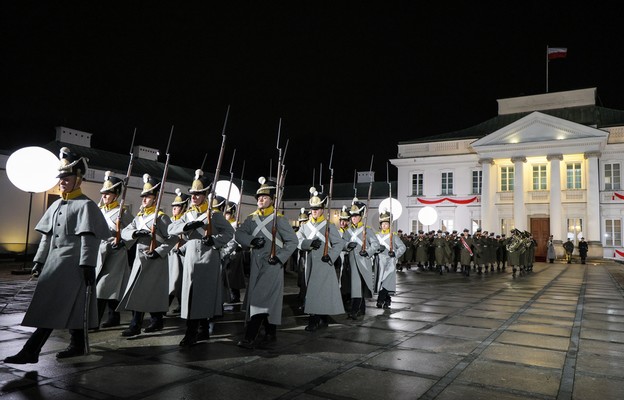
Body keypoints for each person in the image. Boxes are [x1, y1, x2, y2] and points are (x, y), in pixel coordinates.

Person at [4, 147, 109, 364]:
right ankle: (78, 344)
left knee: (52, 306)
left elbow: (89, 238)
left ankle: (31, 350)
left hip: (73, 265)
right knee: (72, 305)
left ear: (78, 179)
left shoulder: (86, 206)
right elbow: (47, 237)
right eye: (60, 178)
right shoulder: (57, 205)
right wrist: (39, 260)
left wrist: (88, 264)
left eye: (66, 177)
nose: (61, 181)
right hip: (54, 264)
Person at [167, 170, 234, 346]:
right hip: (190, 259)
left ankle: (196, 332)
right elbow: (170, 230)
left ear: (205, 195)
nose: (195, 197)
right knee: (192, 296)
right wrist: (188, 225)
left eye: (198, 194)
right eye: (193, 194)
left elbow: (229, 232)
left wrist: (214, 240)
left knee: (202, 296)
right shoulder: (187, 215)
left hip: (208, 258)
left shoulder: (214, 214)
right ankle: (198, 330)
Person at [234, 177, 298, 349]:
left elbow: (293, 241)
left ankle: (250, 336)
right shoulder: (252, 219)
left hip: (271, 265)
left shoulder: (279, 219)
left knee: (259, 299)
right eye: (259, 197)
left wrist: (280, 258)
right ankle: (271, 332)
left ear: (272, 200)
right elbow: (239, 234)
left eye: (264, 197)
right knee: (267, 299)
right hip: (255, 265)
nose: (260, 200)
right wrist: (252, 240)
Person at [117, 174, 175, 337]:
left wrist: (159, 251)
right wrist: (135, 232)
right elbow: (125, 232)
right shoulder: (140, 217)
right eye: (143, 196)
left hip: (155, 260)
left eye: (148, 196)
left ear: (155, 198)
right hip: (139, 260)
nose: (144, 199)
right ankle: (155, 321)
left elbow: (173, 238)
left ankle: (138, 324)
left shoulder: (162, 218)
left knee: (147, 293)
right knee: (141, 292)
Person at [297, 188, 346, 331]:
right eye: (312, 208)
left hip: (324, 263)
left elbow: (339, 243)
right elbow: (297, 240)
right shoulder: (304, 226)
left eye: (317, 208)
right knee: (315, 291)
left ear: (323, 209)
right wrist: (308, 243)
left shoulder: (329, 226)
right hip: (310, 263)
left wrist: (330, 256)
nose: (314, 211)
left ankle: (314, 320)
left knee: (318, 292)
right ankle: (323, 319)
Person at [95, 171, 133, 329]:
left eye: (108, 193)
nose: (104, 196)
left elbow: (132, 230)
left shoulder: (122, 212)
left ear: (116, 194)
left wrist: (123, 242)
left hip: (115, 252)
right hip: (99, 251)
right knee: (101, 286)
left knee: (105, 286)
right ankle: (113, 317)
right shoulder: (99, 209)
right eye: (103, 193)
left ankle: (95, 320)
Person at [343, 198, 380, 320]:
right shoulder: (348, 231)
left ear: (361, 216)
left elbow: (375, 245)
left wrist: (368, 252)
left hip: (363, 262)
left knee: (357, 286)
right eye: (352, 216)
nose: (353, 218)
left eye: (356, 215)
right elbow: (342, 243)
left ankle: (355, 310)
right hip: (351, 262)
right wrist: (347, 245)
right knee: (356, 286)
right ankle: (361, 309)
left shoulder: (366, 230)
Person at [374, 210, 406, 309]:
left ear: (389, 225)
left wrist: (395, 253)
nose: (384, 225)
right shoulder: (377, 236)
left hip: (390, 262)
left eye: (386, 223)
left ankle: (380, 300)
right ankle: (387, 300)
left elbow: (402, 247)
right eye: (383, 223)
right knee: (382, 282)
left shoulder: (393, 235)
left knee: (386, 281)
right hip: (379, 262)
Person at [168, 188, 190, 313]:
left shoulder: (187, 220)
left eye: (178, 206)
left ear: (184, 207)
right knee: (172, 282)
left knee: (180, 282)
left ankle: (182, 305)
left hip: (182, 256)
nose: (174, 209)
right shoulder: (171, 220)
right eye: (174, 206)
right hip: (171, 255)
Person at [221, 201, 246, 304]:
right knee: (226, 276)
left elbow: (238, 239)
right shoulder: (223, 224)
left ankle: (235, 296)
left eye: (227, 213)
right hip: (225, 251)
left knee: (233, 276)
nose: (225, 215)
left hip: (235, 253)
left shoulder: (236, 224)